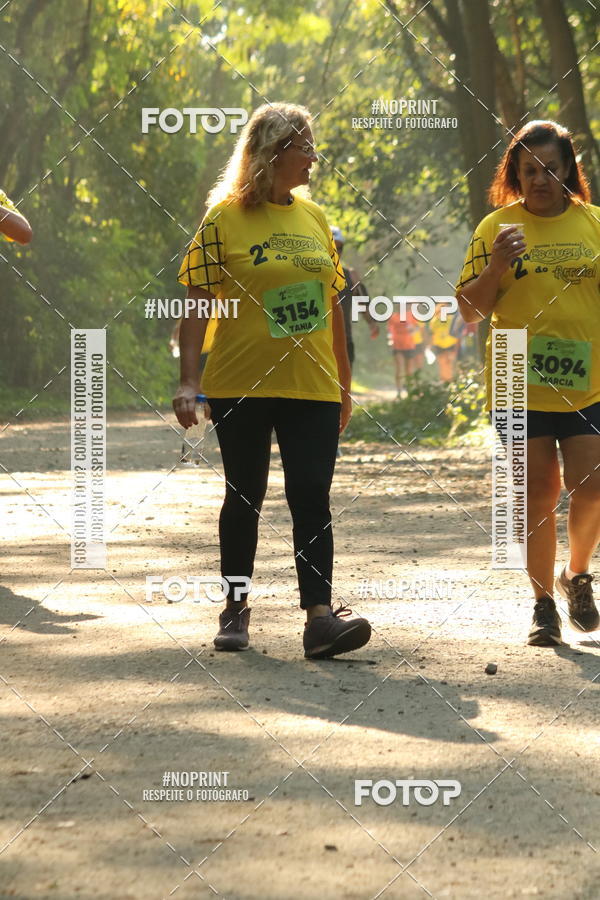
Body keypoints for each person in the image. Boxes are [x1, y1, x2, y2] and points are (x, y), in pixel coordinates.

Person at [173, 102, 371, 659]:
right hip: (240, 382)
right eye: (304, 146)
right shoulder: (224, 219)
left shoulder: (313, 218)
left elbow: (332, 306)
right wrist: (190, 381)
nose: (314, 157)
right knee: (245, 495)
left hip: (311, 383)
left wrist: (344, 385)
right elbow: (196, 308)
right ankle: (235, 608)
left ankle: (319, 620)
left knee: (312, 496)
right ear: (272, 152)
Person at [456, 119, 600, 647]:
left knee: (594, 487)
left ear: (568, 172)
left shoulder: (594, 225)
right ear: (516, 175)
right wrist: (496, 267)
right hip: (517, 374)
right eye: (529, 170)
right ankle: (543, 606)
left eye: (550, 169)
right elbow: (469, 311)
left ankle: (577, 575)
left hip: (588, 380)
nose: (540, 180)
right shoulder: (496, 228)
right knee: (538, 492)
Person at [330, 225, 378, 369]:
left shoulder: (351, 275)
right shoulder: (308, 272)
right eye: (332, 247)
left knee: (344, 385)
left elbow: (362, 301)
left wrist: (372, 323)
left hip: (344, 338)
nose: (336, 252)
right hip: (318, 340)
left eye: (339, 248)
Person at [387, 307, 421, 397]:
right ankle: (398, 391)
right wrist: (389, 340)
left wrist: (413, 330)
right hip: (397, 345)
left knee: (409, 370)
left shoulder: (411, 315)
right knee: (399, 368)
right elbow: (389, 330)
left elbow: (418, 327)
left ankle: (409, 391)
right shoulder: (393, 317)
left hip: (409, 345)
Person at [429, 307, 459, 382]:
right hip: (439, 345)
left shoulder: (451, 320)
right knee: (442, 364)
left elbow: (456, 333)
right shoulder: (434, 321)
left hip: (450, 344)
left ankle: (451, 381)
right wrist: (431, 345)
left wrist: (456, 346)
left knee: (450, 364)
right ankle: (444, 381)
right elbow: (432, 334)